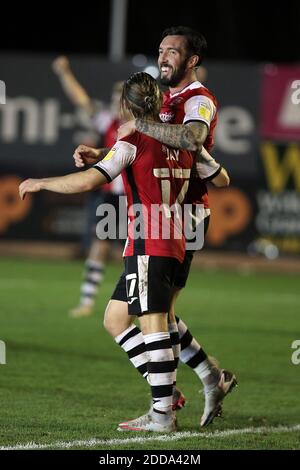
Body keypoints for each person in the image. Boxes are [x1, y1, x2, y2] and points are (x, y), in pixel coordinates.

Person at [19, 72, 229, 432]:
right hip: (177, 235)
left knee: (153, 324)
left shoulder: (131, 140)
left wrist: (40, 182)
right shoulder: (182, 140)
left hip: (150, 239)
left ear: (125, 106)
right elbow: (221, 178)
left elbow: (89, 179)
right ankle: (177, 387)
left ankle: (163, 412)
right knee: (117, 319)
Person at [73, 26, 237, 428]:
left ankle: (166, 406)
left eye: (172, 52)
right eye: (161, 50)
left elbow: (190, 139)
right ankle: (205, 379)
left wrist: (137, 129)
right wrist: (109, 151)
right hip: (162, 213)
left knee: (157, 318)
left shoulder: (197, 100)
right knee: (122, 318)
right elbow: (155, 146)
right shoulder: (169, 99)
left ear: (191, 60)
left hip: (183, 214)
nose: (163, 57)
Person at [52, 56, 125, 317]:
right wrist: (64, 74)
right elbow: (81, 101)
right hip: (113, 198)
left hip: (140, 198)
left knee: (141, 253)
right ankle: (87, 301)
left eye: (121, 98)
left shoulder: (145, 128)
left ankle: (145, 305)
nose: (116, 103)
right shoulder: (109, 123)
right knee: (99, 244)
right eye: (115, 98)